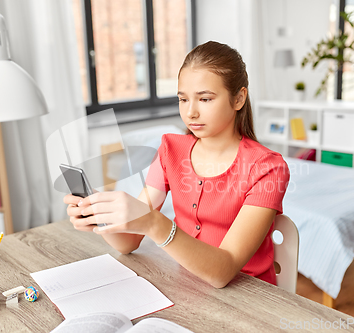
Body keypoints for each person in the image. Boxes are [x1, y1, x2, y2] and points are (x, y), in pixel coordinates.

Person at [64, 41, 290, 288]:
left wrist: (155, 223)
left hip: (252, 299)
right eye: (183, 99)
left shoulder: (268, 168)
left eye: (205, 99)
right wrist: (101, 215)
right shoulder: (171, 151)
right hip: (187, 288)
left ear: (238, 99)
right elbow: (129, 243)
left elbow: (222, 272)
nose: (190, 112)